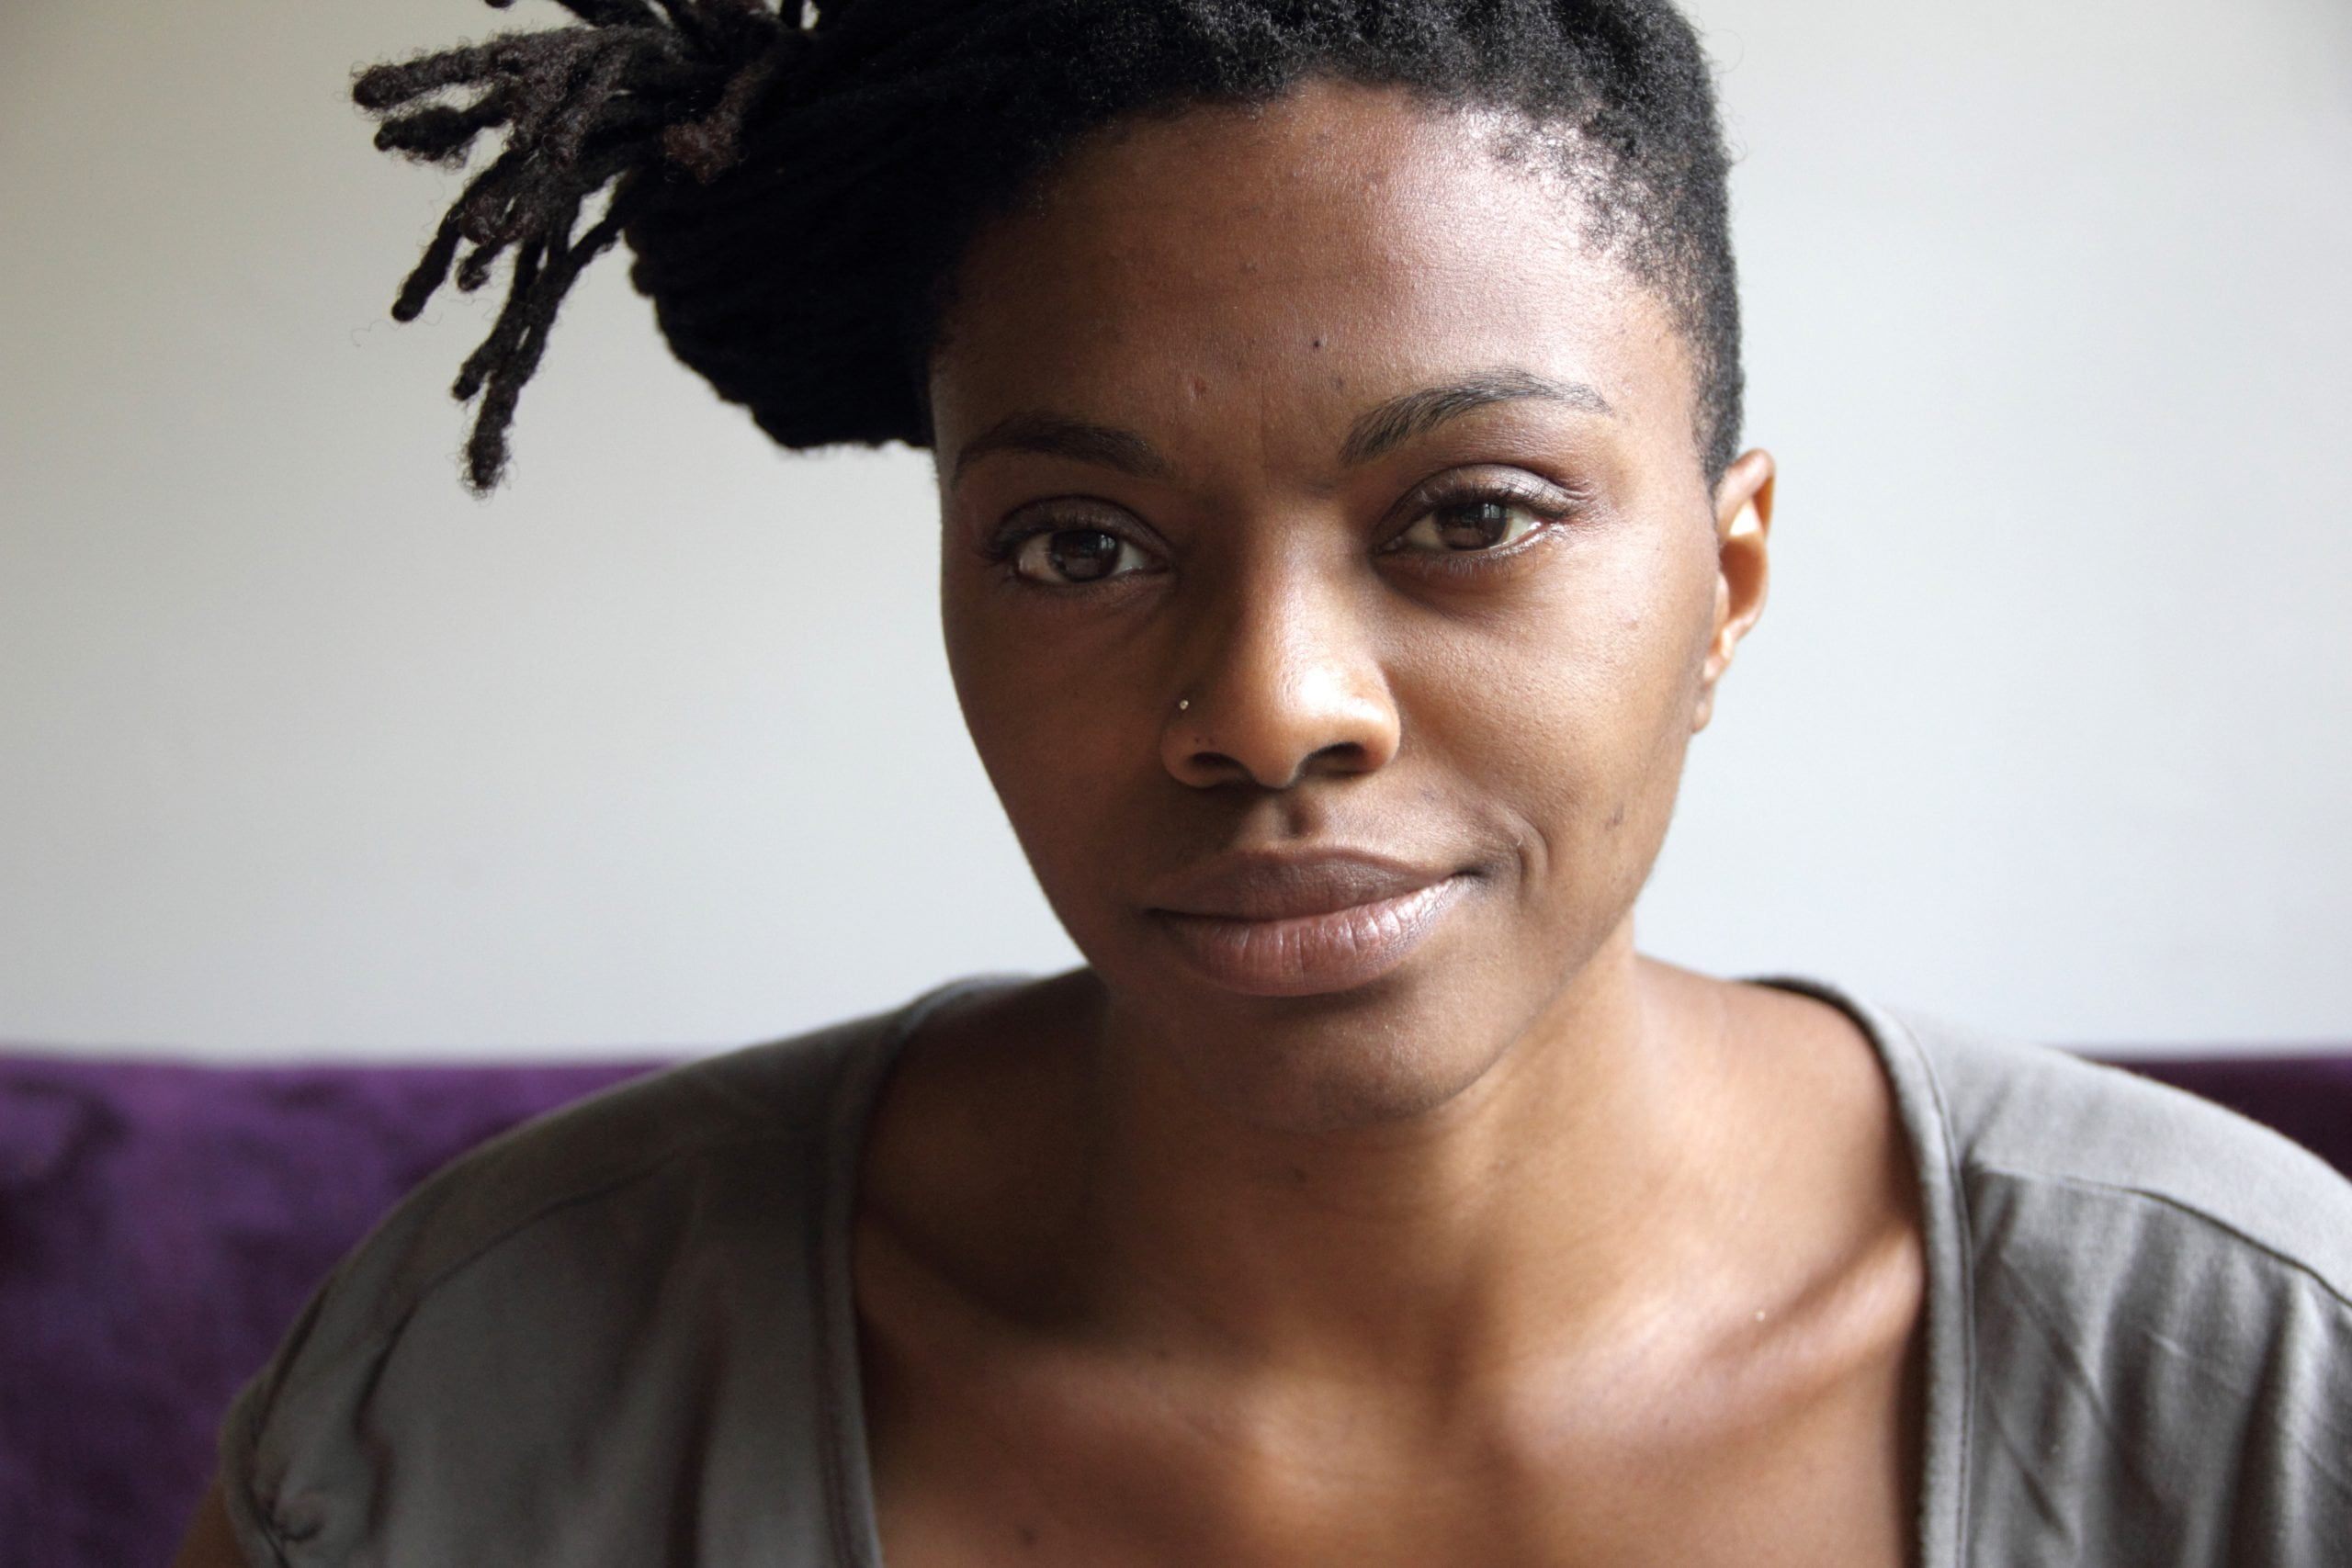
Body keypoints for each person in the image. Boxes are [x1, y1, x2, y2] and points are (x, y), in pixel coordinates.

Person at [175, 2, 2352, 1563]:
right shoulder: (481, 1391)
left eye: (1471, 509)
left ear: (1729, 567)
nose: (1267, 706)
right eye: (1077, 546)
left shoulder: (2258, 1385)